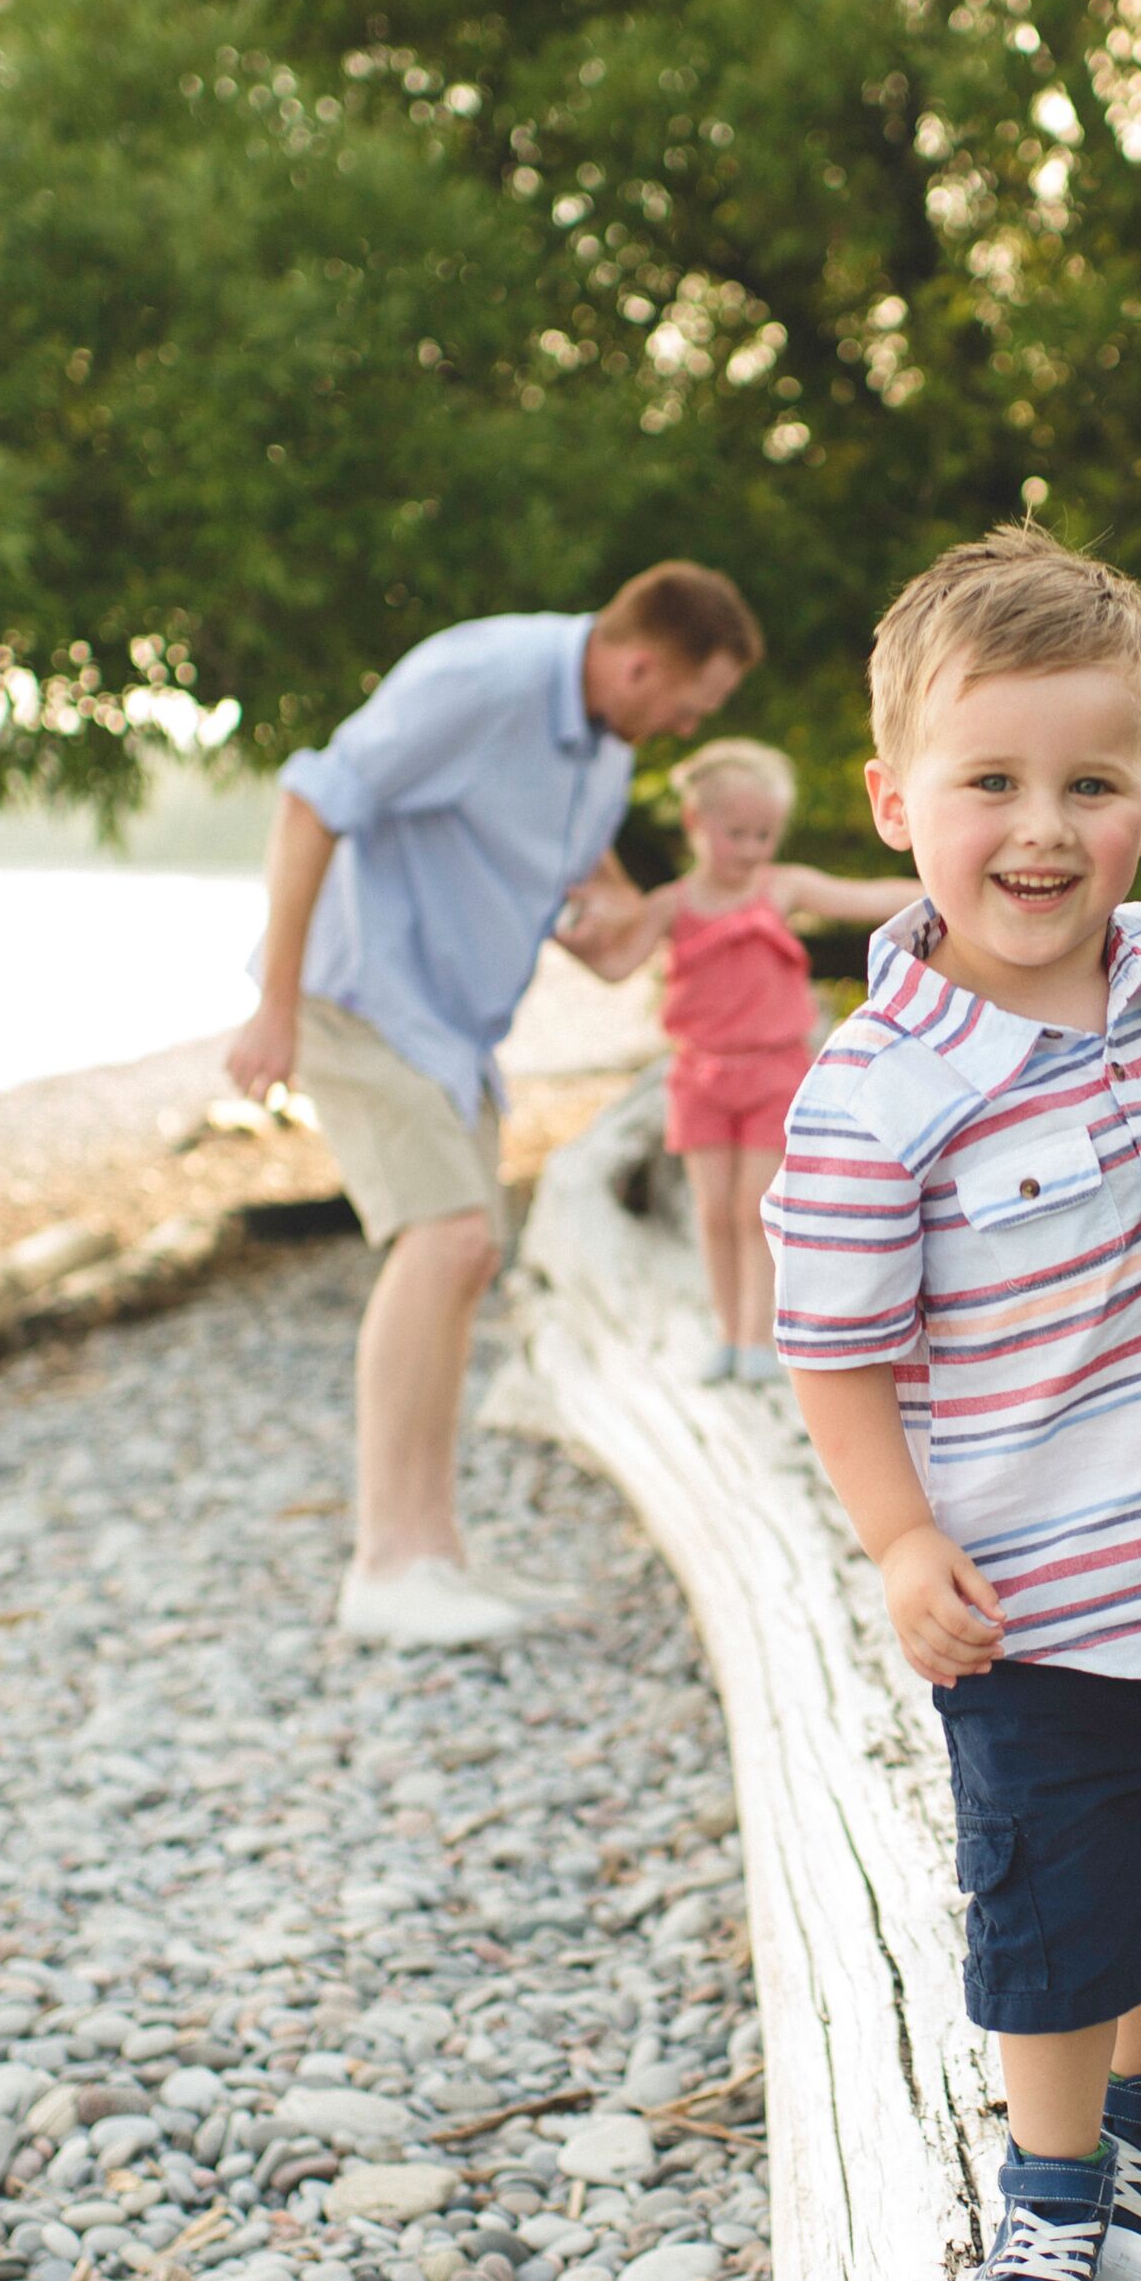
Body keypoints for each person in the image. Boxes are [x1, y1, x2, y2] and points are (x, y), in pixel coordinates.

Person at [762, 524, 1141, 2281]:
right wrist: (898, 1544)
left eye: (1087, 785)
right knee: (1054, 1903)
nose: (1040, 828)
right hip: (1036, 1596)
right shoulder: (877, 1087)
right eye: (990, 782)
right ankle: (1052, 2177)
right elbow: (835, 1350)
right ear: (896, 800)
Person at [225, 563, 760, 1647]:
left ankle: (434, 1551)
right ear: (641, 661)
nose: (684, 727)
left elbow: (584, 886)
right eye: (688, 705)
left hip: (451, 1030)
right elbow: (311, 797)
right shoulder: (483, 676)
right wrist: (273, 1005)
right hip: (358, 990)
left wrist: (614, 909)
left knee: (466, 1256)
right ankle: (386, 1562)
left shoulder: (604, 745)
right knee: (444, 1238)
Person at [564, 738, 916, 1382]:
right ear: (696, 824)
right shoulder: (670, 905)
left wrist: (949, 884)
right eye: (738, 834)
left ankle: (759, 1337)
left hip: (772, 1071)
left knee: (757, 1207)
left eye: (765, 835)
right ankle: (726, 1333)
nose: (753, 849)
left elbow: (863, 896)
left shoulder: (778, 888)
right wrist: (567, 935)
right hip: (699, 1076)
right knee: (711, 1211)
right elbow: (617, 965)